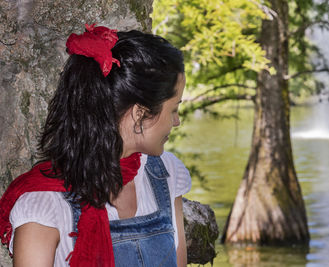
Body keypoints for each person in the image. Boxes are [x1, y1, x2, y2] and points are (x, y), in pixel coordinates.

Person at [0, 24, 191, 267]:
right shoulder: (45, 203)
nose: (177, 121)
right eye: (173, 109)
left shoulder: (165, 174)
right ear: (139, 114)